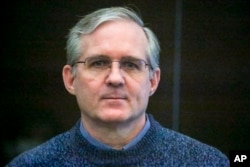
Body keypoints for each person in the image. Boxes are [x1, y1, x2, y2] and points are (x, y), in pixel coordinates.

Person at [6, 6, 229, 166]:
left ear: (153, 80)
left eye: (131, 64)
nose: (115, 78)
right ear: (70, 79)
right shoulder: (30, 164)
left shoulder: (208, 162)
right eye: (99, 63)